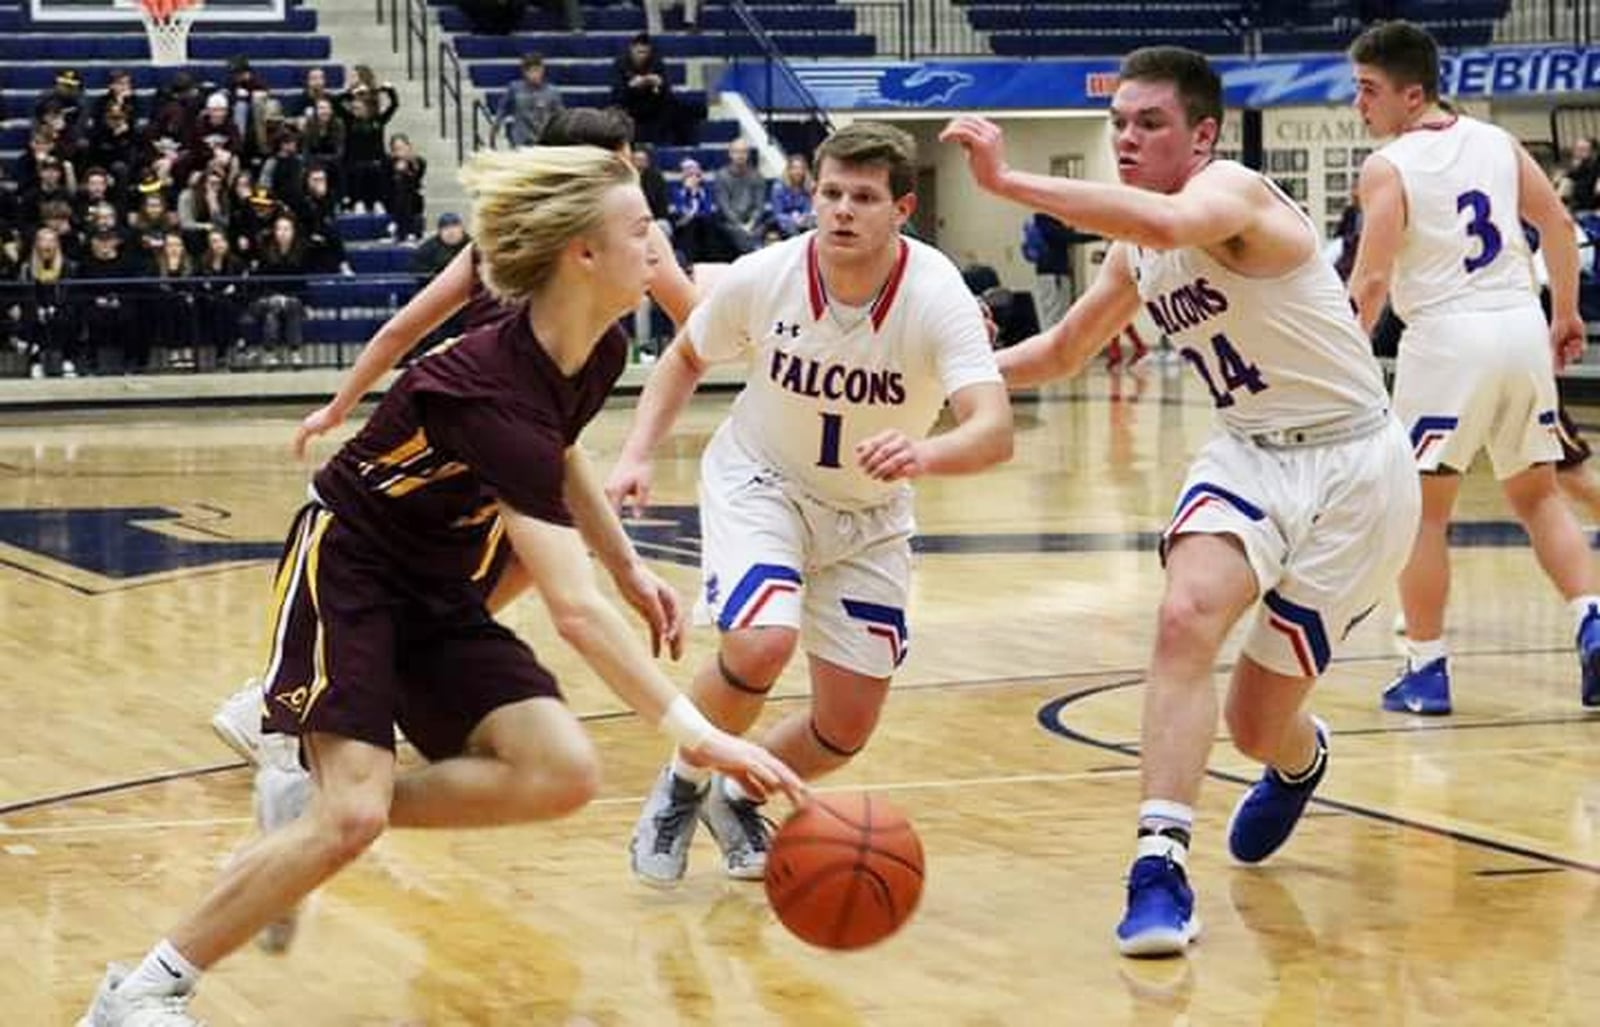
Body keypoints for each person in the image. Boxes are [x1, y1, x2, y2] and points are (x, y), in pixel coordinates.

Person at [79, 145, 803, 1027]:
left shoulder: (602, 348)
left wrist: (628, 563)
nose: (658, 245)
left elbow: (560, 448)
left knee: (560, 770)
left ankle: (304, 810)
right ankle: (142, 990)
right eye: (641, 228)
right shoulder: (487, 391)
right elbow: (571, 612)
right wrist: (701, 738)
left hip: (436, 579)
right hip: (350, 562)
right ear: (582, 252)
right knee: (354, 816)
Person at [941, 46, 1420, 957]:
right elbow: (1060, 353)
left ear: (1201, 136)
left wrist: (1007, 182)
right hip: (1248, 455)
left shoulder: (1233, 194)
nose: (1127, 138)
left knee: (1255, 725)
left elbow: (1170, 224)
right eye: (1118, 123)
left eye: (1149, 123)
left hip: (1357, 467)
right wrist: (942, 376)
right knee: (1183, 618)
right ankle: (1158, 863)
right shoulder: (1138, 252)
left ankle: (1299, 754)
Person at [209, 108, 700, 767]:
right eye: (614, 163)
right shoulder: (522, 267)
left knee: (532, 559)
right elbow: (402, 330)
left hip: (494, 455)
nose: (629, 174)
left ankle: (399, 669)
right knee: (544, 576)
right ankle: (283, 699)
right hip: (445, 452)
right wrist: (339, 406)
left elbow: (685, 329)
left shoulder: (610, 292)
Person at [612, 121, 1013, 887]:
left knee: (846, 726)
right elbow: (684, 358)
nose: (841, 211)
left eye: (863, 197)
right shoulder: (766, 275)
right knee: (762, 641)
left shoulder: (937, 296)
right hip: (763, 479)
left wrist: (926, 453)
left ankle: (736, 793)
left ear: (901, 208)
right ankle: (682, 783)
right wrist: (634, 454)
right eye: (829, 193)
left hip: (870, 515)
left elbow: (993, 431)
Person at [1345, 21, 1600, 715]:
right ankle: (1593, 618)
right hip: (1520, 327)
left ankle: (1425, 670)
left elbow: (1369, 282)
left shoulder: (1389, 166)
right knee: (1539, 496)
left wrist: (1342, 360)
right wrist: (1566, 315)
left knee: (1420, 516)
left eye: (1369, 90)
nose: (1358, 105)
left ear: (1413, 93)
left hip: (1447, 340)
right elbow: (1557, 226)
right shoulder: (1498, 142)